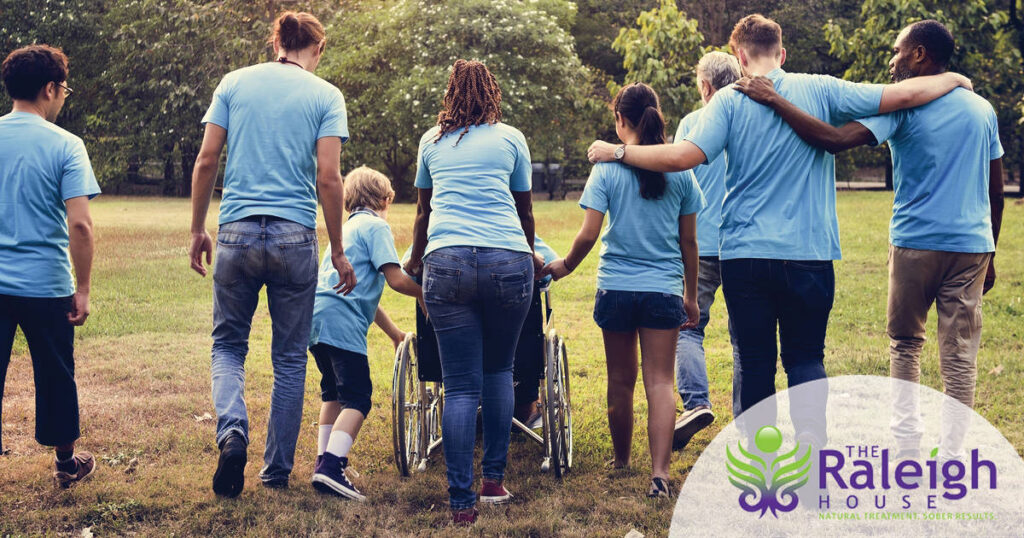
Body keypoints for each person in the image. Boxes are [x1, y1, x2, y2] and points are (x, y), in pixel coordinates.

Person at [587, 14, 973, 448]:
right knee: (807, 357)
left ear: (739, 55)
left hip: (745, 257)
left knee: (754, 363)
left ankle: (760, 465)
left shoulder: (729, 100)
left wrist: (618, 151)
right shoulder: (823, 89)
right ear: (782, 54)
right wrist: (955, 78)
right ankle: (810, 446)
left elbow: (681, 158)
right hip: (809, 254)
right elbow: (904, 94)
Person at [733, 20, 1003, 460]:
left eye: (897, 51)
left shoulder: (900, 109)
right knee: (959, 358)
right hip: (972, 246)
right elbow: (995, 191)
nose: (891, 61)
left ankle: (908, 449)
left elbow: (834, 141)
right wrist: (990, 252)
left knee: (905, 344)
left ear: (919, 54)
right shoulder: (983, 109)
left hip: (915, 242)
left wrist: (775, 98)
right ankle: (954, 456)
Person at [188, 11, 356, 497]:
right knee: (288, 358)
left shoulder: (234, 83)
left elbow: (206, 159)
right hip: (294, 237)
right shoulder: (326, 95)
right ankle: (276, 472)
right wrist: (339, 250)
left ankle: (232, 432)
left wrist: (199, 228)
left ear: (276, 42)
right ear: (317, 48)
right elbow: (328, 177)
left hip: (237, 232)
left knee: (227, 346)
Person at [543, 82, 704, 499]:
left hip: (615, 288)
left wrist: (564, 266)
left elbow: (587, 236)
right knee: (661, 383)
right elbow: (690, 243)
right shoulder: (680, 171)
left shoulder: (606, 170)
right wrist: (690, 295)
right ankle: (660, 476)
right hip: (663, 291)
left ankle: (620, 461)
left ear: (621, 120)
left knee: (620, 380)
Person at [403, 59, 539, 525]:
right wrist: (531, 252)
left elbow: (423, 213)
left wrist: (417, 258)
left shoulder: (431, 140)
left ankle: (461, 505)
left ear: (450, 94)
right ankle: (493, 481)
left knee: (460, 386)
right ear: (492, 93)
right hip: (507, 260)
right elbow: (524, 212)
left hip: (447, 262)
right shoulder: (511, 138)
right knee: (500, 370)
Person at [0, 44, 100, 487]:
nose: (63, 98)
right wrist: (84, 289)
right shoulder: (66, 145)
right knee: (57, 375)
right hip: (47, 285)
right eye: (64, 90)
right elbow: (80, 224)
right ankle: (65, 464)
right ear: (49, 88)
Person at [308, 166, 421, 501]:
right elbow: (396, 279)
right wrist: (425, 295)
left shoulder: (346, 231)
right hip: (342, 324)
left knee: (333, 394)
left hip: (316, 320)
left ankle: (322, 462)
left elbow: (366, 297)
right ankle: (332, 466)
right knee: (358, 398)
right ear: (385, 199)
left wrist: (395, 334)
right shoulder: (376, 227)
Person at [670, 51, 741, 452]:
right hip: (744, 245)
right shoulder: (753, 122)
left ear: (705, 86)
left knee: (688, 326)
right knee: (744, 335)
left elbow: (679, 183)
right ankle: (747, 419)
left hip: (699, 244)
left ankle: (696, 403)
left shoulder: (692, 124)